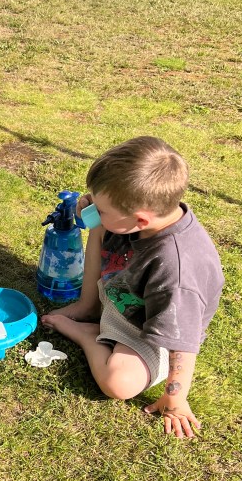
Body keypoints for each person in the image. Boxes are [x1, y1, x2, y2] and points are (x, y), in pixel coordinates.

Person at [42, 137, 223, 439]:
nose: (90, 210)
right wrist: (94, 209)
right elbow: (103, 217)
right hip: (120, 299)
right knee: (101, 226)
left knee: (119, 384)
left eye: (100, 208)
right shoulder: (138, 216)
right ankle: (89, 307)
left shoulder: (177, 272)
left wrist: (176, 398)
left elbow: (184, 340)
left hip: (149, 332)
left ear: (140, 219)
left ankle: (88, 336)